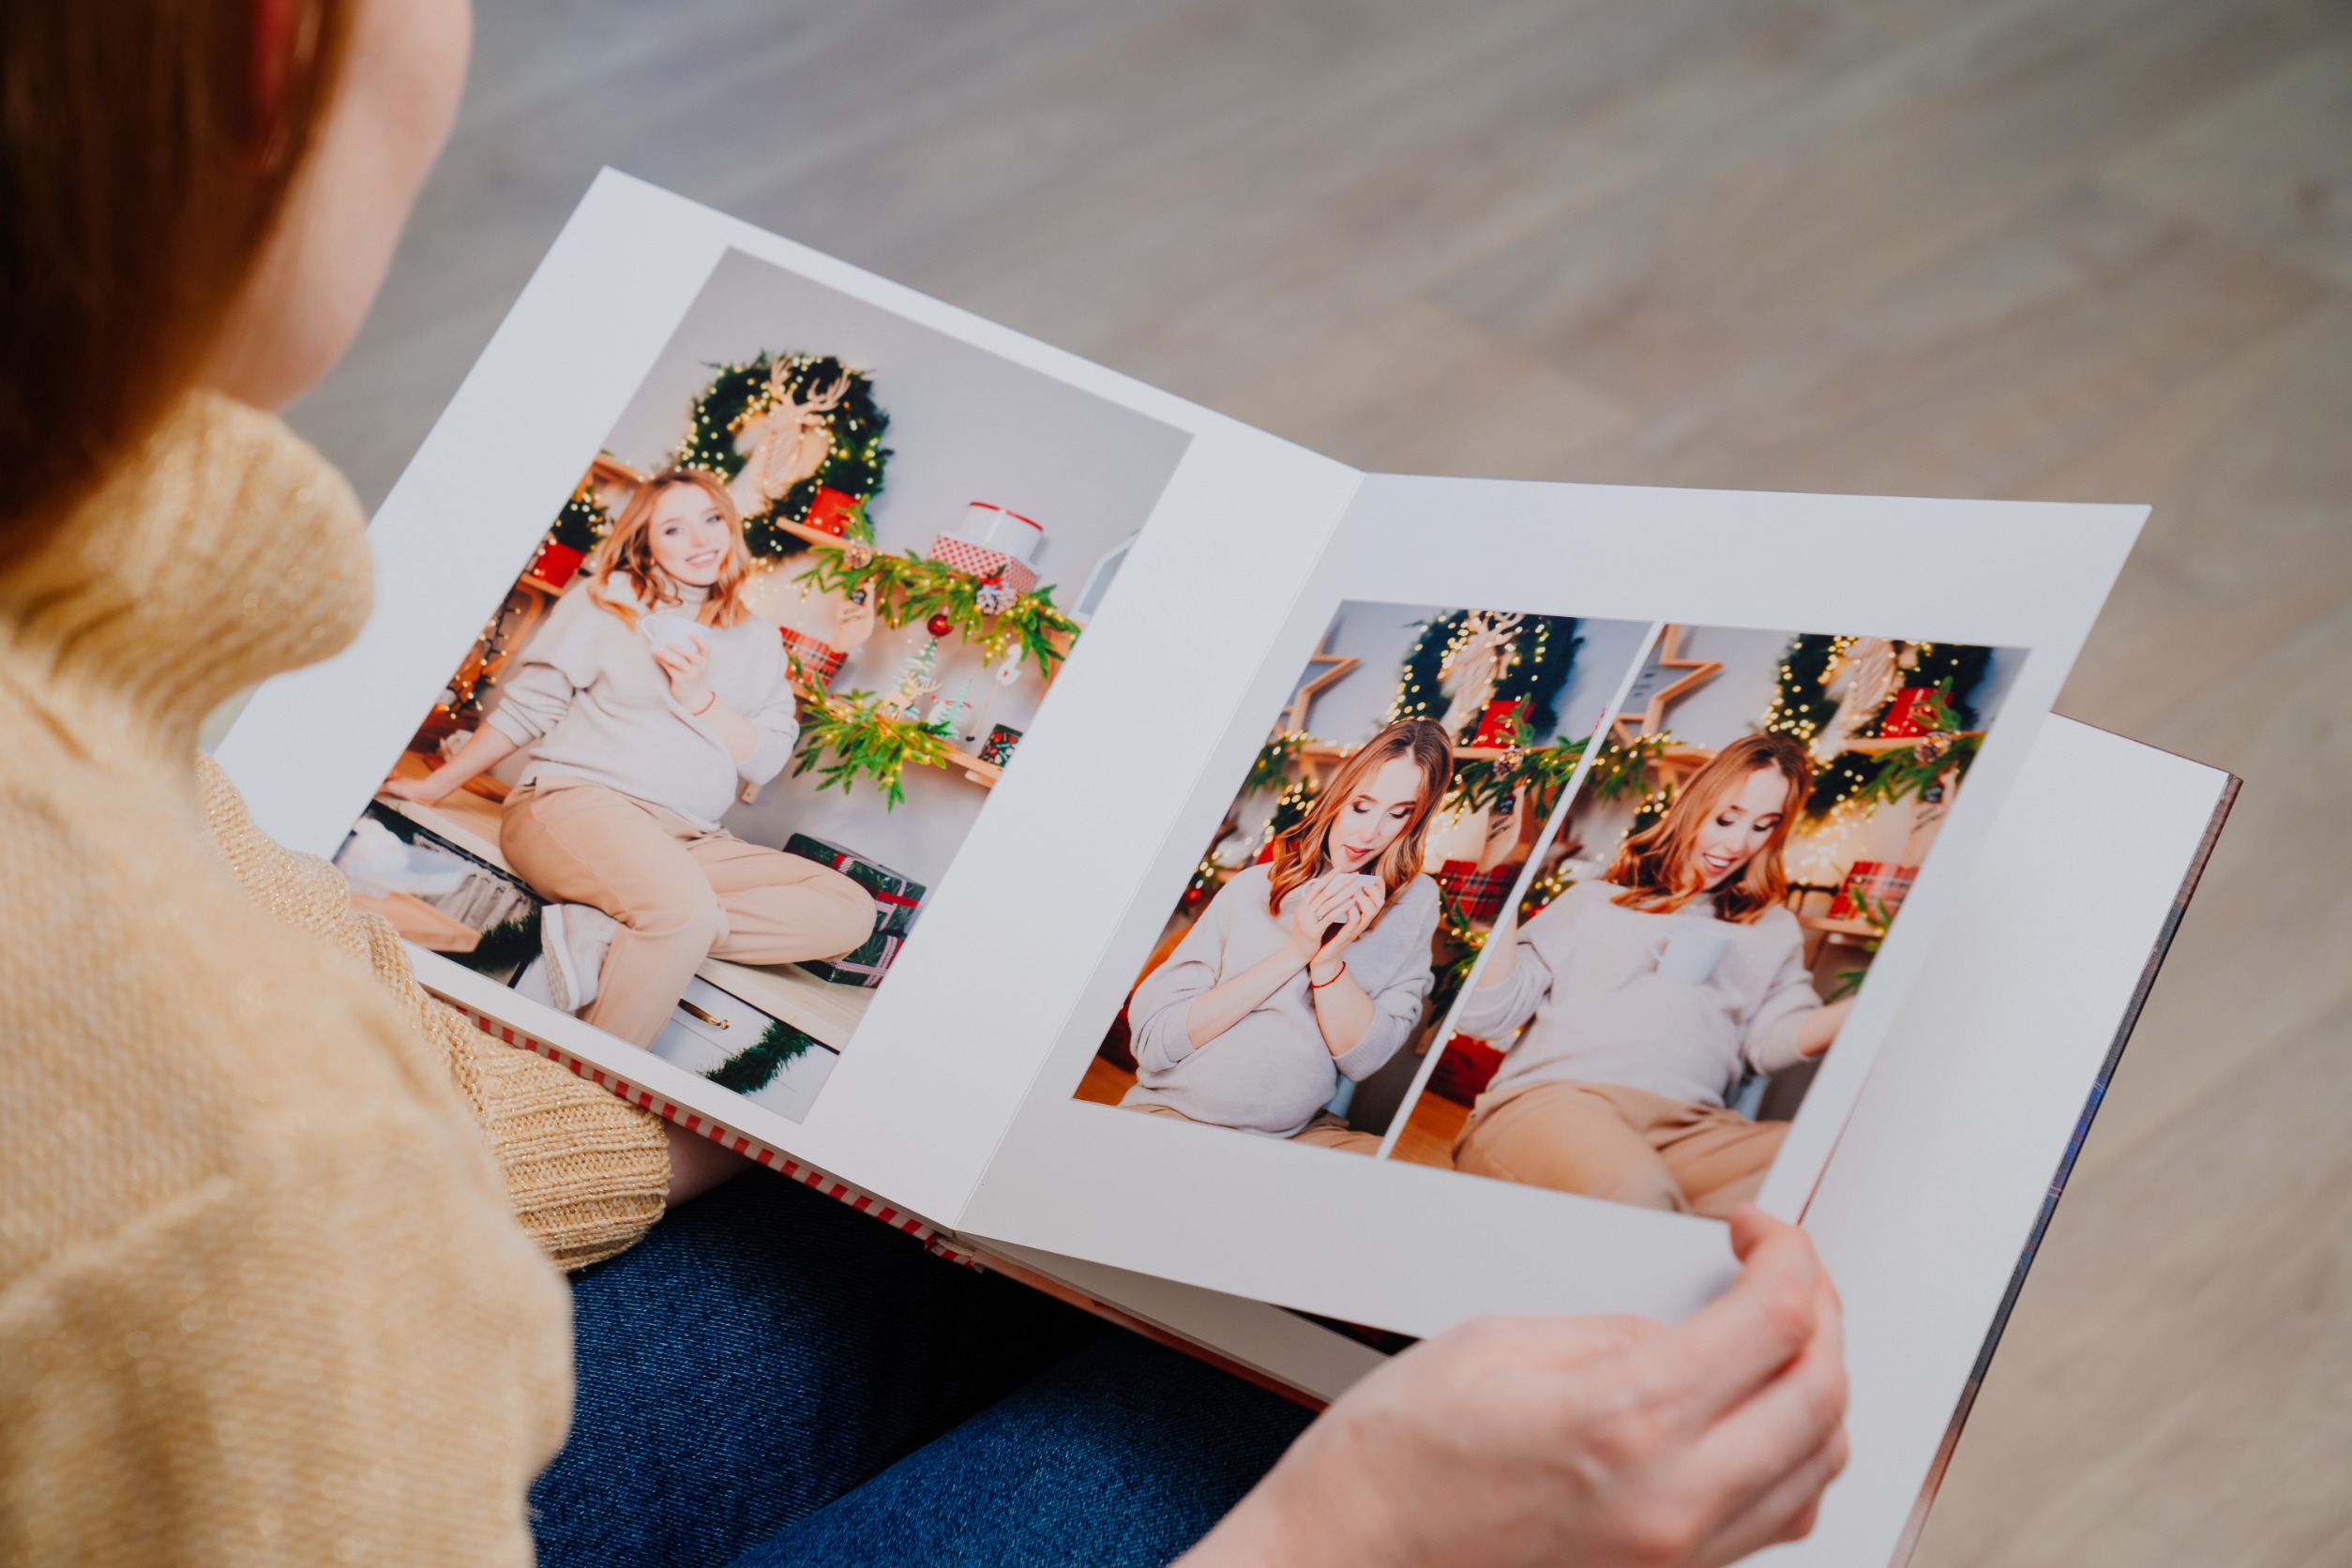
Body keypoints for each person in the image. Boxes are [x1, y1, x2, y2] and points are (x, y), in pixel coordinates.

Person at [0, 1, 1847, 1563]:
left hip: (469, 1040)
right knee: (1262, 1384)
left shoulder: (135, 831)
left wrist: (659, 1109)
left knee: (854, 1015)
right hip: (529, 925)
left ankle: (576, 987)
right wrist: (1342, 1536)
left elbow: (756, 764)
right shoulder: (217, 1152)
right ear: (275, 57)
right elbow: (215, 1172)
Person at [382, 465, 876, 1045]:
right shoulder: (606, 602)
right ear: (645, 541)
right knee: (681, 913)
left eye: (712, 519)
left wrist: (698, 697)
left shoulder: (759, 640)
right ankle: (585, 1096)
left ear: (731, 526)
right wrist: (432, 787)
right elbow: (527, 711)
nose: (701, 540)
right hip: (576, 805)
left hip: (692, 839)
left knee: (849, 910)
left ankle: (612, 929)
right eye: (674, 529)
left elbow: (763, 760)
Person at [1453, 732, 1853, 1214]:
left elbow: (1773, 1041)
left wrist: (1868, 1008)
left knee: (1829, 1172)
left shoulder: (1771, 930)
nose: (1736, 844)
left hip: (1692, 1129)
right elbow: (1483, 1015)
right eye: (1726, 819)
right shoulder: (1594, 903)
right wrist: (1507, 894)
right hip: (1555, 1103)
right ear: (1694, 805)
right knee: (1636, 1194)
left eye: (1762, 827)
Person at [1121, 719, 1448, 1151]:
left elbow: (1363, 1061)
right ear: (1338, 798)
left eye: (1399, 813)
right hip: (1177, 1111)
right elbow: (1154, 1042)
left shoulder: (1415, 903)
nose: (1370, 834)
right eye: (1361, 807)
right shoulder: (1254, 886)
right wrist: (1297, 952)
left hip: (1298, 1133)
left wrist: (1328, 963)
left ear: (1418, 819)